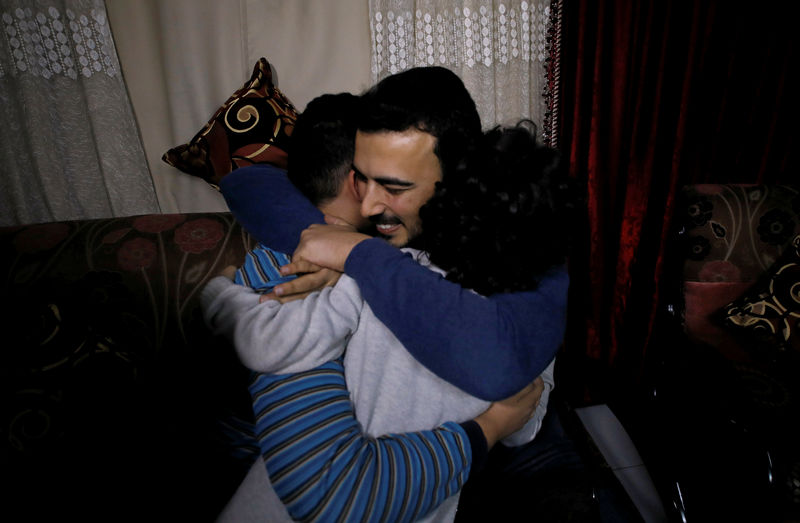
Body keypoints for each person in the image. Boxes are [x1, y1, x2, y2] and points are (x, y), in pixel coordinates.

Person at [203, 92, 548, 522]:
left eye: (395, 183)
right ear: (354, 180)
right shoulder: (301, 272)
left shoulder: (446, 273)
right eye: (370, 180)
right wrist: (491, 429)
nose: (371, 203)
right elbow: (334, 493)